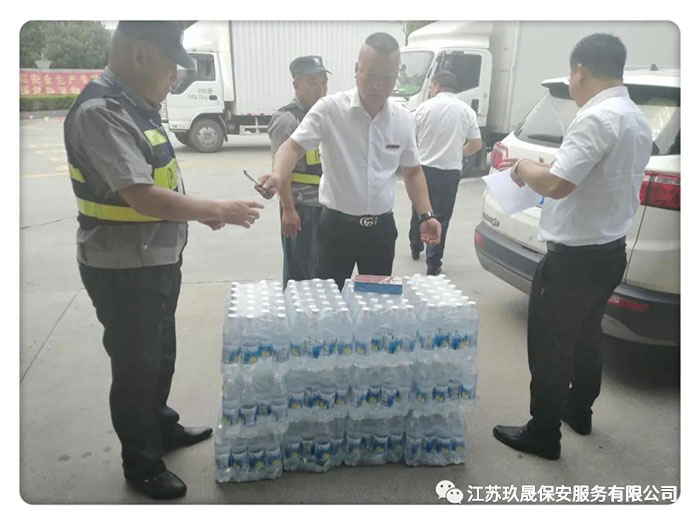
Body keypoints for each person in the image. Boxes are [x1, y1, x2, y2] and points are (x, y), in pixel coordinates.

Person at [64, 21, 264, 499]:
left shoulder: (136, 104)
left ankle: (161, 426)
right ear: (138, 56)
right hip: (122, 267)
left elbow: (162, 181)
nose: (175, 76)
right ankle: (142, 462)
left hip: (154, 257)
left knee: (159, 355)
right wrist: (217, 209)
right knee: (136, 367)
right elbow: (141, 195)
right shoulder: (102, 111)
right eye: (171, 65)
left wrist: (197, 213)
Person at [492, 33, 652, 460]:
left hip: (573, 260)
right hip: (609, 252)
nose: (571, 82)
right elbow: (585, 174)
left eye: (570, 74)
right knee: (586, 335)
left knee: (551, 346)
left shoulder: (595, 117)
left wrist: (524, 167)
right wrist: (550, 169)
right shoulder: (635, 117)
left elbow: (557, 186)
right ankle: (578, 409)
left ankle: (543, 432)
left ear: (580, 70)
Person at [258, 33, 442, 290]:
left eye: (387, 77)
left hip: (380, 232)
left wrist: (426, 214)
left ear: (396, 76)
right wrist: (278, 175)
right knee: (330, 300)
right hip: (336, 229)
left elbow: (412, 172)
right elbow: (292, 146)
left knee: (376, 300)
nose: (378, 85)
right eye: (372, 75)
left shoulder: (402, 119)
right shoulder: (330, 110)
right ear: (357, 69)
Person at [409, 70, 482, 275]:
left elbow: (409, 138)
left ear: (437, 86)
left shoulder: (423, 108)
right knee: (441, 217)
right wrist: (458, 151)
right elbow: (476, 144)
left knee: (419, 209)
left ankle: (415, 246)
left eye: (431, 87)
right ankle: (433, 264)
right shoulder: (466, 111)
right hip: (449, 172)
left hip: (423, 169)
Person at [268, 56, 329, 288]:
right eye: (312, 83)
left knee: (321, 272)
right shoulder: (287, 119)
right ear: (296, 84)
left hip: (325, 204)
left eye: (323, 83)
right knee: (300, 273)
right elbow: (281, 169)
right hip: (301, 206)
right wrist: (289, 209)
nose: (320, 89)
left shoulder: (323, 116)